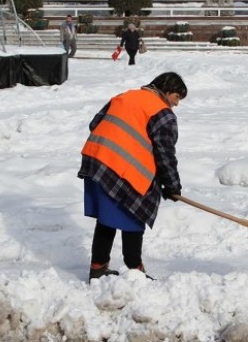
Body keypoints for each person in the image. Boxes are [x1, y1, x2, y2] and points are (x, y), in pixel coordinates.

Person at [78, 72, 188, 282]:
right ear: (166, 91)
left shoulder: (125, 96)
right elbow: (164, 154)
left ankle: (98, 269)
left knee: (106, 219)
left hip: (96, 161)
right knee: (135, 218)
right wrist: (172, 186)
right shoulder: (163, 114)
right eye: (176, 97)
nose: (176, 104)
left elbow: (95, 124)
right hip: (121, 169)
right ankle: (134, 271)